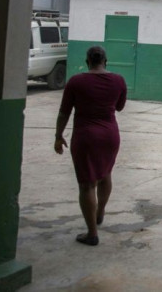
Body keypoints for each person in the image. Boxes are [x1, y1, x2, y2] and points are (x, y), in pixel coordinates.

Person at [54, 46, 127, 246]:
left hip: (85, 137)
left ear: (87, 61)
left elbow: (64, 112)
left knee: (87, 184)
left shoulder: (76, 82)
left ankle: (92, 233)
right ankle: (100, 211)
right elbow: (119, 107)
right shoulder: (118, 80)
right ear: (106, 60)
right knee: (105, 174)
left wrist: (58, 135)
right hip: (110, 136)